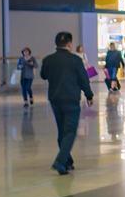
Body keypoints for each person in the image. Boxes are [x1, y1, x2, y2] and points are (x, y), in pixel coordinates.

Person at [39, 31, 92, 175]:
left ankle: (67, 161)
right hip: (71, 100)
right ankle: (60, 161)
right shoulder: (75, 60)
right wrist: (89, 94)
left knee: (62, 130)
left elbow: (43, 75)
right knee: (70, 131)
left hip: (55, 99)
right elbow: (83, 79)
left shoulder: (48, 59)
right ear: (69, 44)